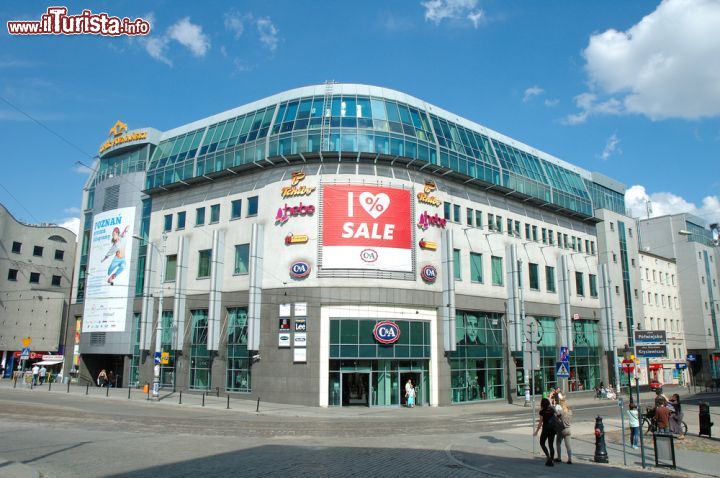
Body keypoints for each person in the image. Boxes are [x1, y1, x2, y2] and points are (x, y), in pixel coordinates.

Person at [534, 398, 557, 466]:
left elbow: (541, 422)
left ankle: (548, 457)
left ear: (542, 404)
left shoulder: (542, 411)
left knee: (542, 443)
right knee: (551, 445)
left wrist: (536, 431)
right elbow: (557, 415)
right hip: (552, 429)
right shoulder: (552, 409)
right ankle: (552, 461)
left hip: (545, 430)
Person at [555, 399, 572, 464]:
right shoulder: (570, 411)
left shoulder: (561, 412)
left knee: (558, 443)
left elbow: (556, 416)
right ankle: (570, 459)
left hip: (562, 430)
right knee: (568, 445)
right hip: (568, 429)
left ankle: (559, 458)